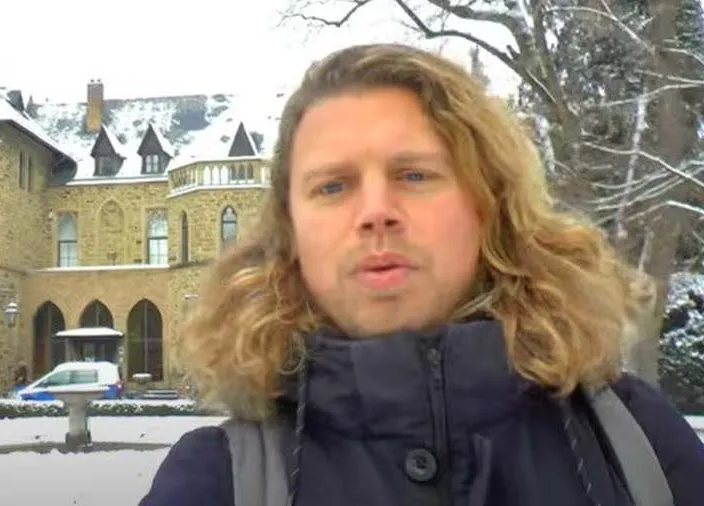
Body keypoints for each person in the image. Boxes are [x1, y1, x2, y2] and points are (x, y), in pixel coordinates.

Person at [139, 43, 704, 506]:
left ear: (487, 204)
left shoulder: (636, 444)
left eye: (414, 175)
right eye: (332, 186)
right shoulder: (219, 481)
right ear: (290, 234)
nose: (375, 212)